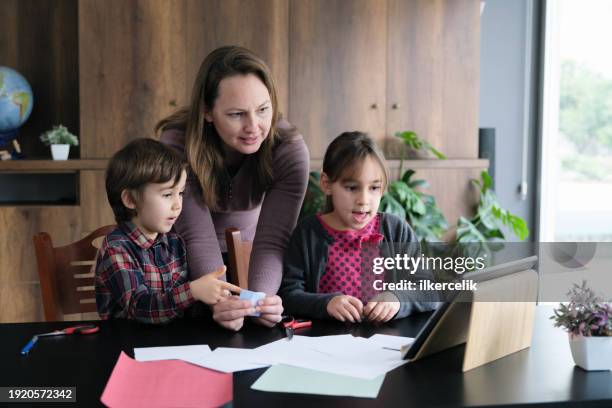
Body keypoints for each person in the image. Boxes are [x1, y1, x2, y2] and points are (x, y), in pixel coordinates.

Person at [157, 46, 309, 330]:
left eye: (263, 110)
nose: (254, 127)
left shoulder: (288, 150)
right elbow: (196, 237)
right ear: (207, 111)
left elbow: (274, 239)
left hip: (251, 247)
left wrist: (261, 300)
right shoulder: (177, 144)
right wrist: (223, 302)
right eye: (237, 114)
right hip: (182, 259)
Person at [280, 132, 438, 323]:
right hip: (324, 344)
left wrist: (397, 299)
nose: (364, 200)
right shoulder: (307, 234)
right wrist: (326, 303)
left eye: (374, 188)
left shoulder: (395, 230)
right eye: (352, 187)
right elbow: (288, 295)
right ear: (327, 184)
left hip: (387, 343)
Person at [95, 139, 243, 324]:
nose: (178, 204)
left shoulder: (175, 242)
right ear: (130, 199)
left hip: (174, 345)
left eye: (180, 193)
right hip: (128, 346)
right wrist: (193, 291)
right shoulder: (116, 248)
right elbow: (139, 307)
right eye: (167, 194)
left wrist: (223, 305)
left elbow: (186, 306)